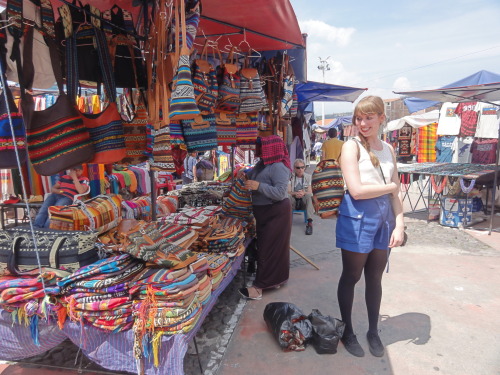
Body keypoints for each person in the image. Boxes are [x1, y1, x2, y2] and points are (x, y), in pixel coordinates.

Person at [336, 96, 405, 358]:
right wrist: (390, 188)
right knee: (351, 276)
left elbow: (396, 195)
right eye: (359, 118)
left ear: (380, 118)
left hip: (384, 221)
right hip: (357, 220)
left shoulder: (388, 149)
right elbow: (356, 190)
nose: (363, 123)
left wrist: (399, 225)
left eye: (369, 118)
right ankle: (347, 330)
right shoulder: (351, 147)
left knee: (374, 278)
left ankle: (373, 331)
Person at [238, 135, 292, 300]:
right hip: (265, 212)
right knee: (271, 248)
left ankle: (259, 287)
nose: (258, 150)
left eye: (261, 147)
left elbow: (280, 193)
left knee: (268, 249)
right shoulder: (262, 164)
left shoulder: (279, 167)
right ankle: (276, 280)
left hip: (276, 212)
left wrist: (258, 186)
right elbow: (253, 174)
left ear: (271, 148)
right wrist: (245, 174)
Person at [288, 158, 314, 235]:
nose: (300, 169)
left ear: (304, 168)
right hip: (293, 200)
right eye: (298, 167)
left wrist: (303, 193)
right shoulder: (290, 176)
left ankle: (309, 223)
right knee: (287, 196)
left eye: (302, 167)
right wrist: (295, 193)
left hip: (303, 200)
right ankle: (286, 221)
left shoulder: (308, 177)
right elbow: (288, 191)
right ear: (294, 168)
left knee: (309, 195)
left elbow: (310, 191)